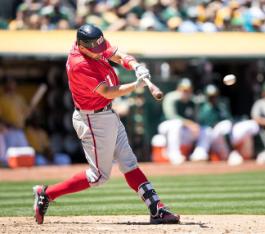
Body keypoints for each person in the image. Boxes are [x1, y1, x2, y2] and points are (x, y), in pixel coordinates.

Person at [32, 24, 180, 225]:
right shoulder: (79, 64)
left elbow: (117, 55)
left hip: (108, 114)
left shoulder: (95, 44)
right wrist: (136, 86)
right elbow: (108, 92)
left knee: (129, 163)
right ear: (82, 46)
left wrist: (135, 65)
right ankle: (47, 193)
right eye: (94, 48)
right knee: (98, 176)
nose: (99, 51)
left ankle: (157, 209)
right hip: (92, 120)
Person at [198, 85, 259, 161]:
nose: (213, 98)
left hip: (227, 134)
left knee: (252, 125)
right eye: (211, 97)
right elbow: (203, 125)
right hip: (212, 137)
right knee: (224, 126)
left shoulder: (221, 107)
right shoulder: (204, 108)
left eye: (214, 96)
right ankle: (232, 153)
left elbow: (229, 119)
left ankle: (261, 152)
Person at [158, 78, 210, 164]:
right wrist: (189, 124)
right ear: (178, 89)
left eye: (188, 90)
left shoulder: (193, 101)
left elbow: (196, 119)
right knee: (176, 123)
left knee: (206, 130)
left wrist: (195, 125)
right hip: (167, 127)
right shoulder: (172, 97)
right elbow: (171, 116)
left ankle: (199, 154)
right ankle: (174, 154)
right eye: (183, 89)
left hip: (184, 130)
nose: (186, 92)